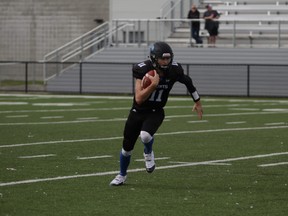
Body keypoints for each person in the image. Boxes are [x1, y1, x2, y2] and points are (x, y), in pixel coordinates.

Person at [110, 41, 203, 186]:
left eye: (168, 58)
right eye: (162, 58)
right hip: (137, 111)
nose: (166, 61)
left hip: (156, 111)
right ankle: (122, 175)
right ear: (154, 58)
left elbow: (188, 82)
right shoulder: (142, 69)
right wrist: (153, 85)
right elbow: (139, 98)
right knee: (126, 148)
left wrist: (197, 101)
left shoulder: (174, 70)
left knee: (145, 135)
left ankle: (148, 153)